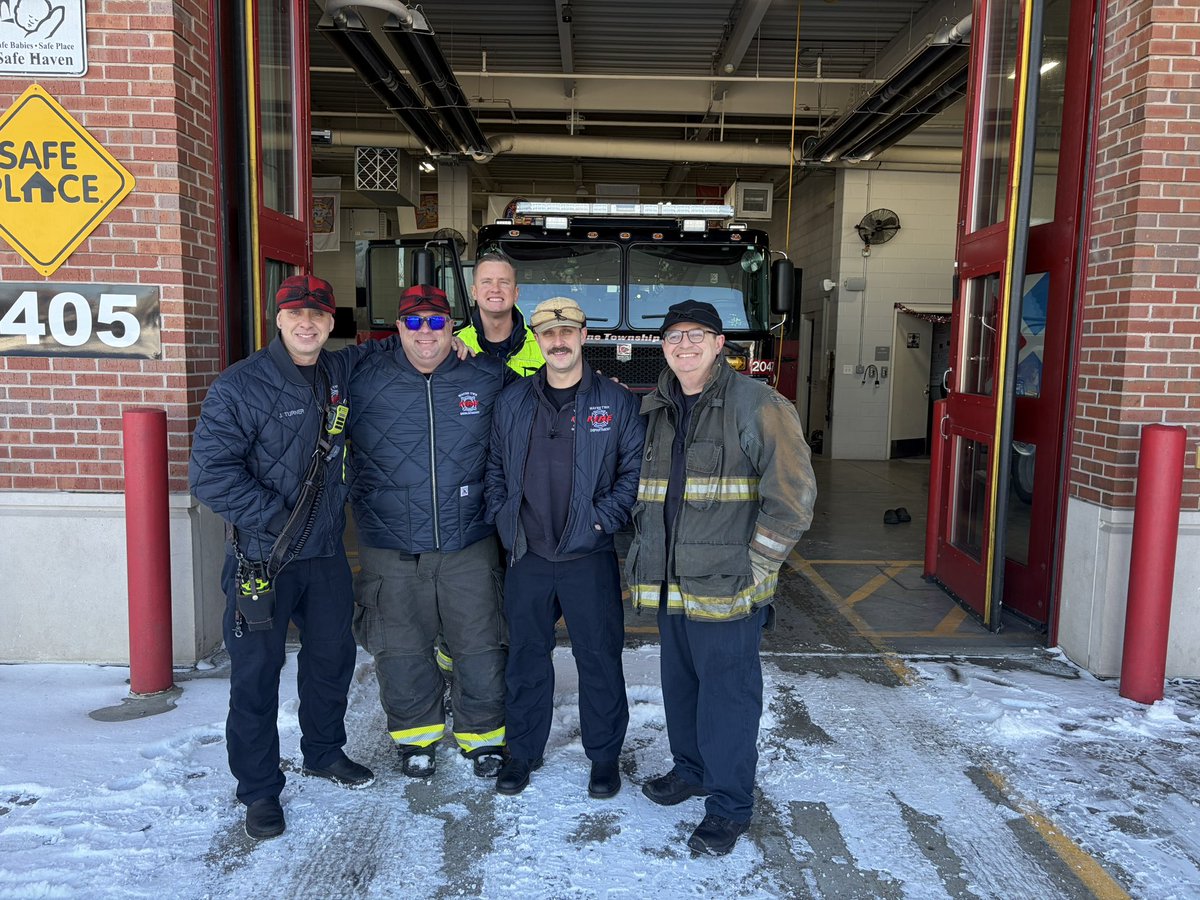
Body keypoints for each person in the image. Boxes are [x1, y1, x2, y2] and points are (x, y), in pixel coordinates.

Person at [626, 299, 816, 856]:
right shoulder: (657, 407)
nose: (683, 345)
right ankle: (691, 771)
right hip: (674, 582)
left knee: (728, 699)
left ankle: (729, 806)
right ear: (662, 346)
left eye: (696, 335)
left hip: (729, 588)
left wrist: (755, 569)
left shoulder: (758, 404)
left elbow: (794, 499)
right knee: (681, 688)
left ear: (718, 344)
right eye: (673, 336)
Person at [188, 275, 376, 842]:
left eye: (318, 314)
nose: (308, 322)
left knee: (330, 662)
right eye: (297, 313)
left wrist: (455, 337)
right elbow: (210, 476)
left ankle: (323, 751)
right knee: (255, 678)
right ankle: (259, 790)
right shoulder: (239, 386)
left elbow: (396, 346)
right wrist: (276, 520)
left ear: (329, 323)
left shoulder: (337, 373)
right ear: (278, 318)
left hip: (324, 560)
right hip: (261, 561)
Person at [347, 285, 513, 780]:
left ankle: (483, 737)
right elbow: (318, 357)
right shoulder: (361, 377)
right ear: (396, 329)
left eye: (437, 323)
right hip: (389, 542)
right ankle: (415, 738)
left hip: (469, 539)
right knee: (400, 648)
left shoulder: (486, 377)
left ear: (453, 329)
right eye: (413, 323)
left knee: (480, 644)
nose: (425, 333)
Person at [484, 297, 645, 797]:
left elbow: (632, 473)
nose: (558, 341)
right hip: (528, 555)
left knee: (599, 659)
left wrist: (601, 522)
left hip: (587, 556)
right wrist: (503, 517)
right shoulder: (512, 401)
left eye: (567, 331)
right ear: (537, 339)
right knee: (526, 659)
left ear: (582, 336)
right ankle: (524, 752)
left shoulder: (614, 403)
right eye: (548, 334)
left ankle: (604, 758)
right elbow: (493, 468)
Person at [456, 251, 545, 376]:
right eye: (486, 282)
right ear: (474, 292)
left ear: (516, 293)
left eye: (504, 282)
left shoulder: (543, 346)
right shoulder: (454, 347)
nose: (495, 289)